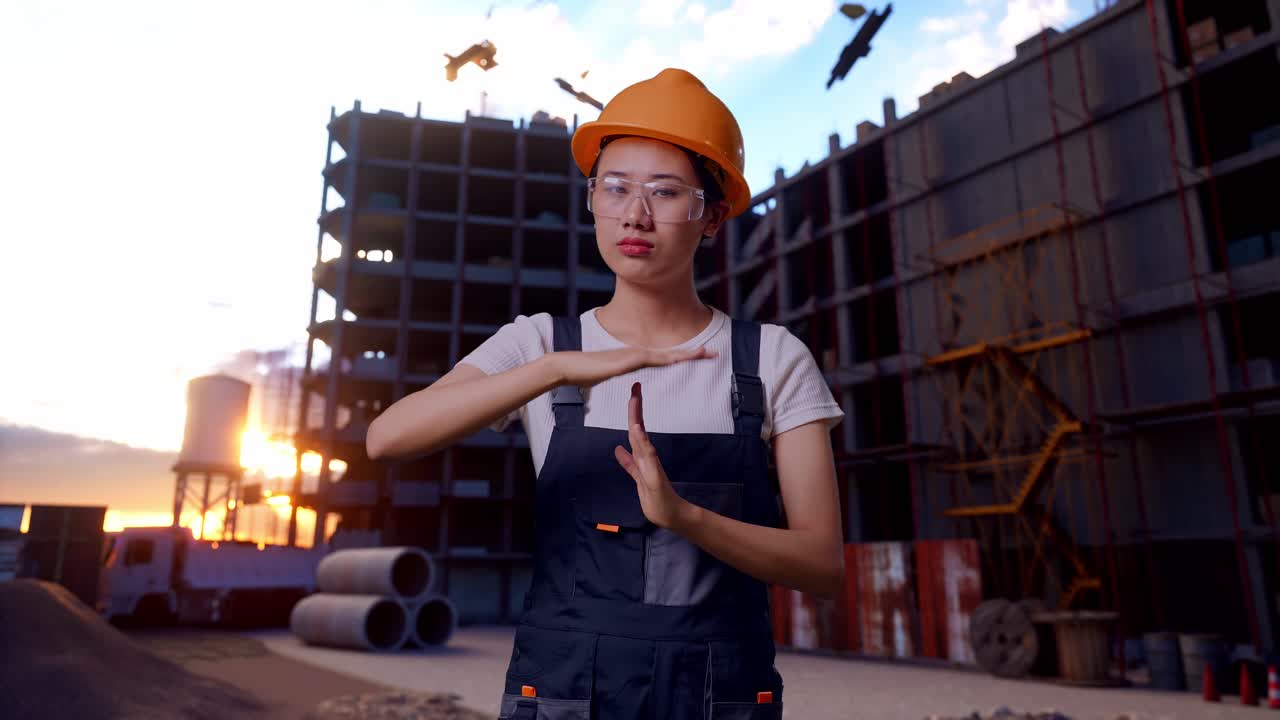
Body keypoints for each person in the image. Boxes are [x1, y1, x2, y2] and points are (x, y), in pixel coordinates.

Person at [366, 68, 846, 719]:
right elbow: (387, 438)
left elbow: (823, 566)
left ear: (712, 215)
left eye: (666, 192)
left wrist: (684, 517)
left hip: (719, 697)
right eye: (614, 189)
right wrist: (557, 370)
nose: (635, 215)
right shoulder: (540, 346)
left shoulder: (770, 360)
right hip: (565, 692)